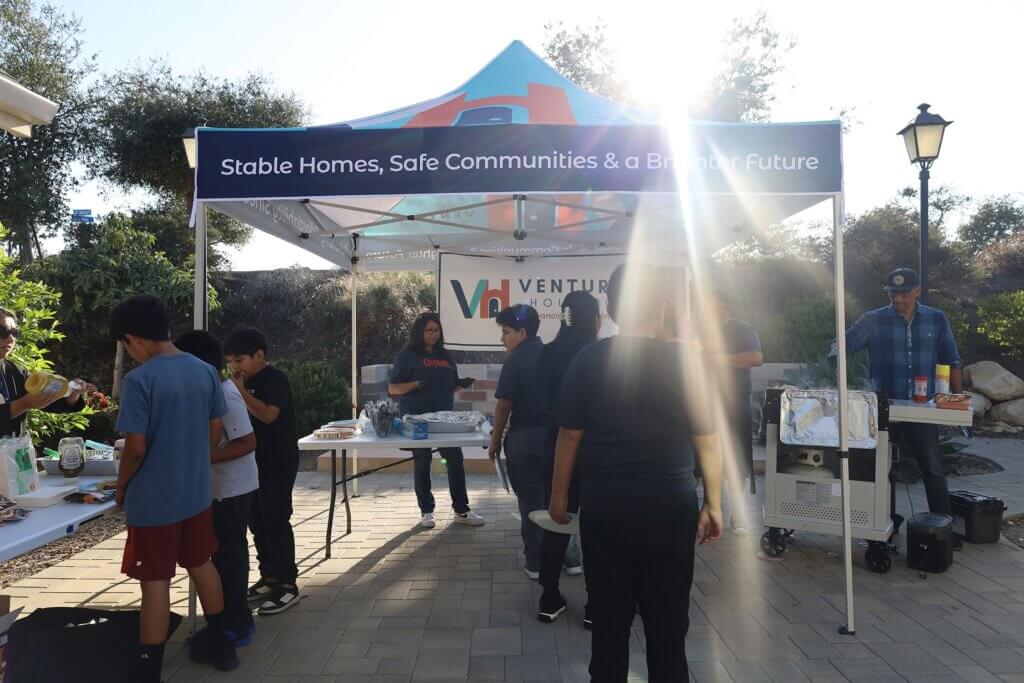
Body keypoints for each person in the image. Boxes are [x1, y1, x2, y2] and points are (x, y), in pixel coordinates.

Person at [549, 263, 724, 681]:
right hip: (670, 504)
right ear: (662, 305)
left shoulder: (588, 359)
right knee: (667, 625)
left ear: (610, 309)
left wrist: (558, 497)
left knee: (609, 622)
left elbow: (569, 435)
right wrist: (713, 503)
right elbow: (708, 439)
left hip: (606, 505)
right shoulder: (688, 362)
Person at [110, 295, 237, 680]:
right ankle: (222, 645)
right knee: (202, 564)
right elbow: (215, 432)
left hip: (154, 500)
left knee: (155, 581)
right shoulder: (203, 370)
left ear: (132, 339)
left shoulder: (140, 380)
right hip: (196, 492)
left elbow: (134, 448)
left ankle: (149, 668)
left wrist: (120, 489)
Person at [834, 267, 962, 539]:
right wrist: (836, 351)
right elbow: (842, 346)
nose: (897, 299)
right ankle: (885, 525)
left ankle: (944, 530)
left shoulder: (937, 319)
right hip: (884, 410)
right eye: (893, 293)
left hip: (923, 409)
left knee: (933, 468)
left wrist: (957, 401)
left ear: (917, 292)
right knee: (883, 469)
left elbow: (952, 360)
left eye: (903, 293)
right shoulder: (872, 320)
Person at [175, 330, 260, 647]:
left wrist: (202, 458)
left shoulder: (224, 393)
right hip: (217, 488)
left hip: (232, 489)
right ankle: (228, 621)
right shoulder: (208, 389)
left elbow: (248, 442)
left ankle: (236, 624)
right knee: (222, 556)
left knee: (230, 558)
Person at [223, 327, 301, 614]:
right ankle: (268, 577)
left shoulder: (275, 379)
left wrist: (241, 392)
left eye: (239, 360)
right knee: (256, 520)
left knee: (277, 520)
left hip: (278, 461)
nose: (234, 367)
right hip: (251, 462)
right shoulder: (238, 383)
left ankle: (288, 585)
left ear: (259, 355)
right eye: (230, 361)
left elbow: (269, 415)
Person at [534, 290, 598, 624]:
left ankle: (548, 597)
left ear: (563, 317)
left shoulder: (547, 354)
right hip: (594, 451)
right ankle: (594, 604)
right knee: (597, 527)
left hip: (555, 446)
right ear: (596, 319)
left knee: (556, 521)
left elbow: (544, 402)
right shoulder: (600, 355)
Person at [388, 312, 485, 528]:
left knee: (455, 460)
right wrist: (415, 385)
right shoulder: (408, 355)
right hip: (417, 419)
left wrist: (461, 383)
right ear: (419, 331)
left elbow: (450, 386)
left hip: (445, 419)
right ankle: (427, 511)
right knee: (422, 462)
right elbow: (393, 388)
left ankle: (461, 509)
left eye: (437, 330)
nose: (433, 334)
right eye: (429, 330)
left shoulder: (445, 355)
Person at [489, 304, 564, 579]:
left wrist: (494, 441)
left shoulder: (517, 359)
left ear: (522, 332)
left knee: (531, 502)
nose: (502, 339)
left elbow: (503, 406)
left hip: (526, 440)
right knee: (558, 497)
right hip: (558, 440)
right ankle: (569, 557)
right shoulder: (555, 354)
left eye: (506, 332)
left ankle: (536, 563)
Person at [702, 291, 763, 535]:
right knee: (704, 460)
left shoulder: (742, 328)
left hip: (736, 406)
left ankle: (738, 513)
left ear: (723, 305)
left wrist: (716, 359)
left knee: (737, 462)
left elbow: (756, 358)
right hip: (705, 406)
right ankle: (707, 509)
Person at [0, 306, 93, 436]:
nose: (11, 339)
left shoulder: (15, 371)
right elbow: (28, 402)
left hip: (11, 453)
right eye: (2, 331)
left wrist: (72, 392)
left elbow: (49, 401)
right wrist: (24, 404)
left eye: (15, 333)